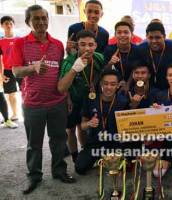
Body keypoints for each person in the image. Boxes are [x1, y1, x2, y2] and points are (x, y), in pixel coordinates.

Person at [11, 5, 76, 194]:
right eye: (36, 19)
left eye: (43, 18)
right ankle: (34, 176)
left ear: (48, 19)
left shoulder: (57, 45)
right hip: (32, 104)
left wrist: (68, 96)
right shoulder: (20, 43)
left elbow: (62, 72)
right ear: (28, 22)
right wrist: (32, 68)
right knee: (34, 143)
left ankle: (59, 171)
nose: (41, 22)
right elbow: (15, 71)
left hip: (57, 102)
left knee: (58, 139)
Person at [75, 69, 134, 175]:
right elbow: (82, 126)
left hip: (115, 143)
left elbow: (130, 128)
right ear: (101, 84)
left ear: (118, 85)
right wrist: (89, 123)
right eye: (105, 84)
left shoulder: (123, 102)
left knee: (125, 167)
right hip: (95, 142)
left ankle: (106, 159)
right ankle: (100, 158)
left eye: (113, 84)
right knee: (80, 168)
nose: (109, 87)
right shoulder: (91, 100)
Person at [58, 30, 104, 163]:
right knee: (71, 129)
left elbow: (103, 73)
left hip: (90, 99)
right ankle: (74, 156)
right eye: (83, 44)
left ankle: (84, 152)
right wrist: (74, 70)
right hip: (73, 99)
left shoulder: (99, 57)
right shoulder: (69, 61)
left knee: (83, 126)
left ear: (95, 45)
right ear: (77, 45)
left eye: (91, 44)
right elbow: (61, 87)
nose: (87, 48)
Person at [0, 16, 20, 121]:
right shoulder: (1, 42)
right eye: (6, 23)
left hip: (20, 69)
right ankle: (15, 114)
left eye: (10, 23)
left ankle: (29, 113)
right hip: (7, 70)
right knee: (11, 94)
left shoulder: (19, 40)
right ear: (2, 25)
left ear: (13, 24)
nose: (8, 25)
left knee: (26, 92)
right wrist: (1, 74)